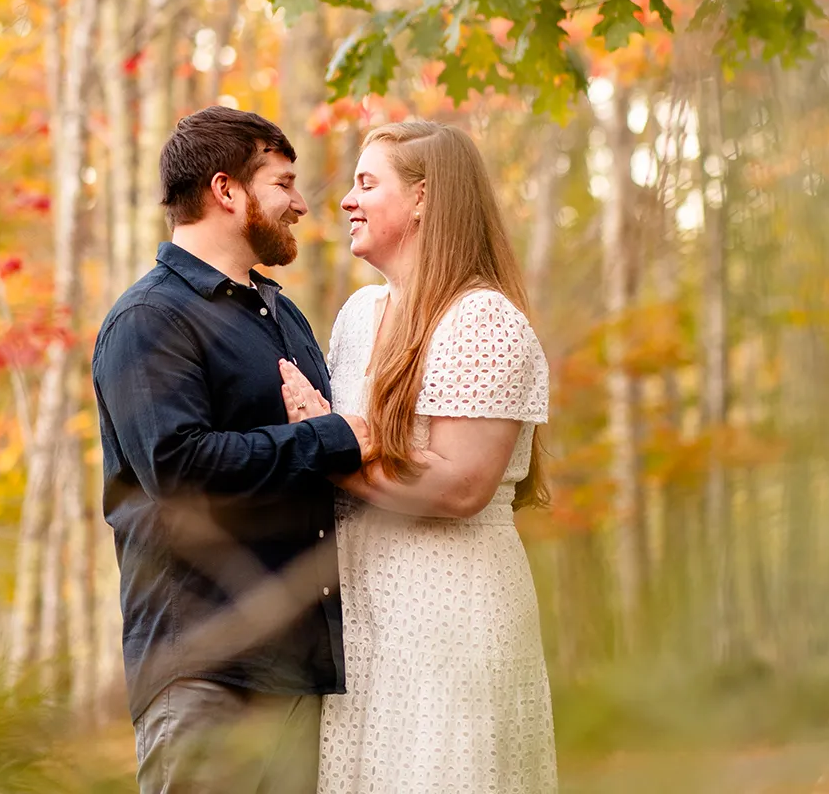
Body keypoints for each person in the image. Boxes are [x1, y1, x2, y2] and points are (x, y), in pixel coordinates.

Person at [93, 106, 377, 794]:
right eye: (283, 184)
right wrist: (335, 437)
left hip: (300, 668)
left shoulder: (282, 315)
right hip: (204, 674)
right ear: (227, 191)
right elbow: (181, 470)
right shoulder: (149, 319)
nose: (302, 204)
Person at [279, 119, 557, 793]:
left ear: (426, 197)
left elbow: (460, 487)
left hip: (451, 619)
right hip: (366, 627)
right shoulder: (360, 314)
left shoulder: (480, 319)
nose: (345, 200)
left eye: (366, 183)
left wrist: (325, 440)